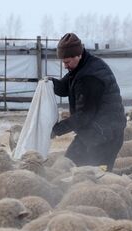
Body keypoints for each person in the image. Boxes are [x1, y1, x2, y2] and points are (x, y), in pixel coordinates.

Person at [49, 33, 126, 171]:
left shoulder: (90, 76)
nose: (65, 66)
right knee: (68, 167)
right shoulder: (80, 67)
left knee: (94, 177)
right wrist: (47, 84)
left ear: (77, 55)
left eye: (67, 62)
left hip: (106, 137)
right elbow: (63, 88)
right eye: (63, 62)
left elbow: (84, 115)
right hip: (92, 133)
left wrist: (56, 130)